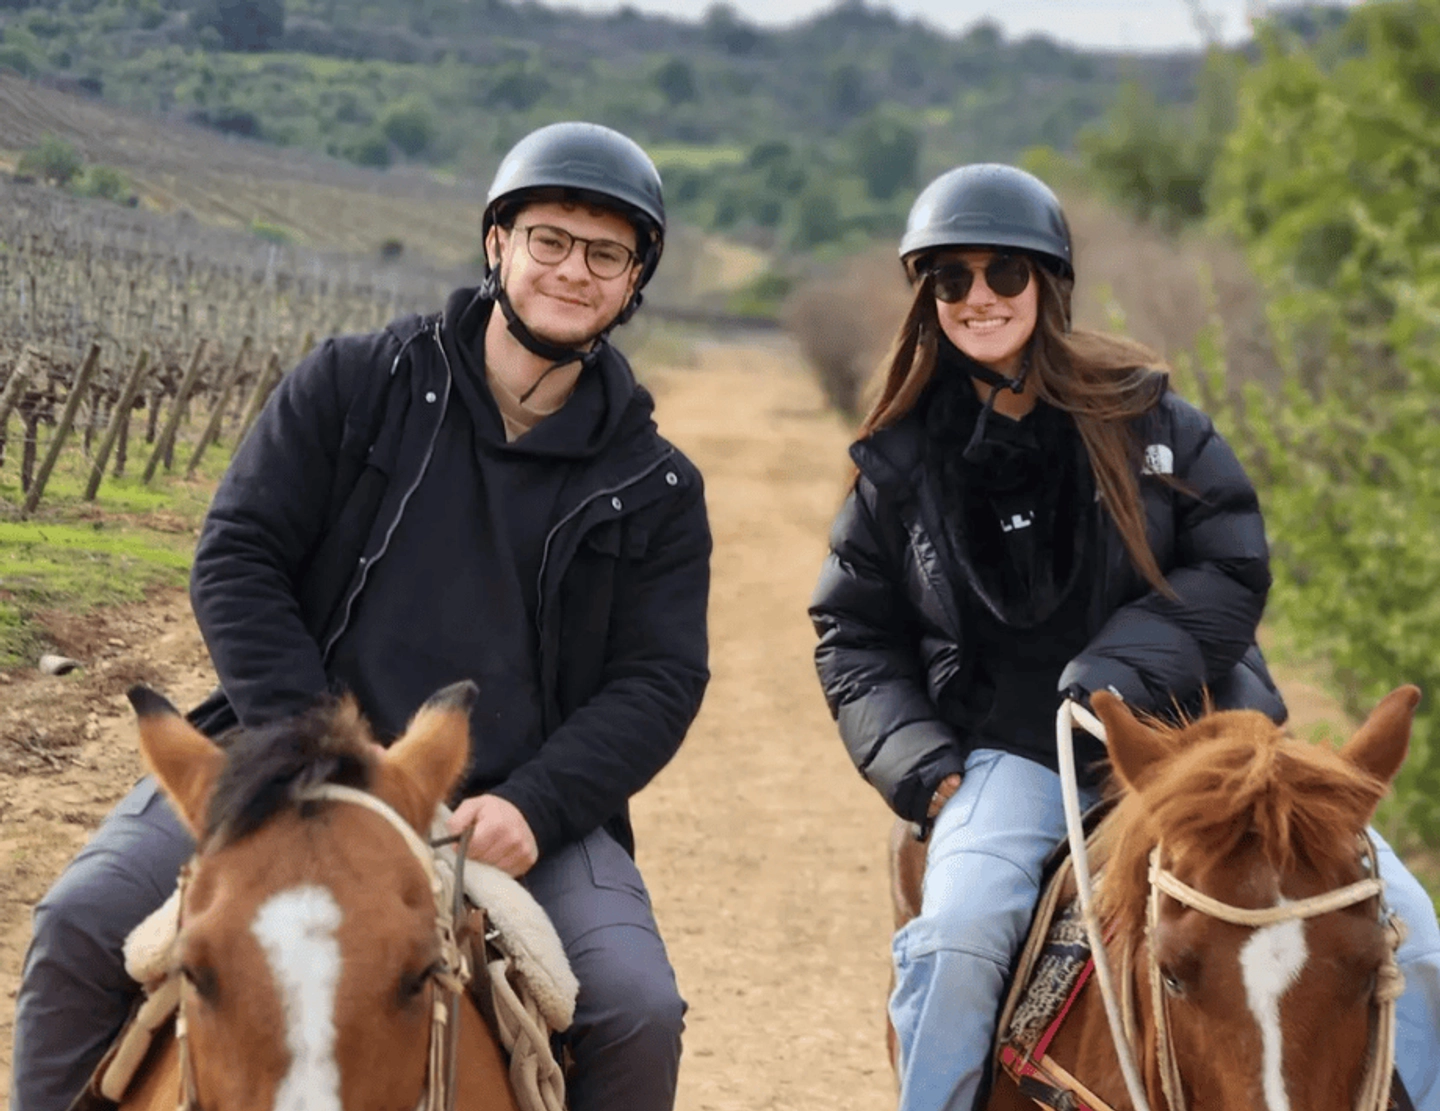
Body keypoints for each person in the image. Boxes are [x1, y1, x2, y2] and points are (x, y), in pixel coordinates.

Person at [11, 121, 711, 1111]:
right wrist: (318, 748)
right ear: (497, 242)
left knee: (636, 1011)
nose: (572, 269)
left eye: (607, 253)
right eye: (549, 237)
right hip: (289, 764)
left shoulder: (657, 482)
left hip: (502, 809)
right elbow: (238, 553)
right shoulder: (355, 383)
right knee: (81, 926)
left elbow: (660, 678)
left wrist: (540, 806)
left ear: (634, 282)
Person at [808, 163, 1440, 1111]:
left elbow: (1231, 568)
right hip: (1012, 753)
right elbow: (850, 631)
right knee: (958, 934)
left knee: (1417, 935)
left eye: (1004, 274)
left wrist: (1116, 667)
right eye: (951, 279)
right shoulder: (894, 465)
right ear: (927, 297)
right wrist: (919, 759)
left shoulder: (1155, 420)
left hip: (1208, 741)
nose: (979, 297)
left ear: (1048, 285)